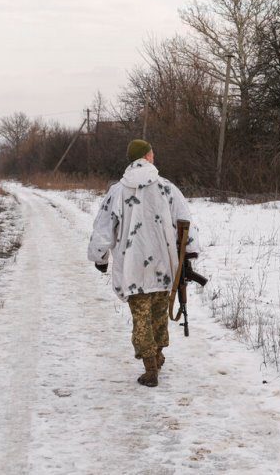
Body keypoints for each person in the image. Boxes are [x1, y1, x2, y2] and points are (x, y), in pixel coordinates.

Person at [88, 140, 200, 387]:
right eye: (152, 153)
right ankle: (156, 357)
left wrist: (100, 257)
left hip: (133, 266)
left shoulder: (117, 191)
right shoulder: (167, 188)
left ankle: (151, 364)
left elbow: (104, 227)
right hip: (164, 264)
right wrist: (189, 254)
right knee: (160, 313)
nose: (154, 156)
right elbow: (185, 221)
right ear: (147, 157)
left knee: (141, 317)